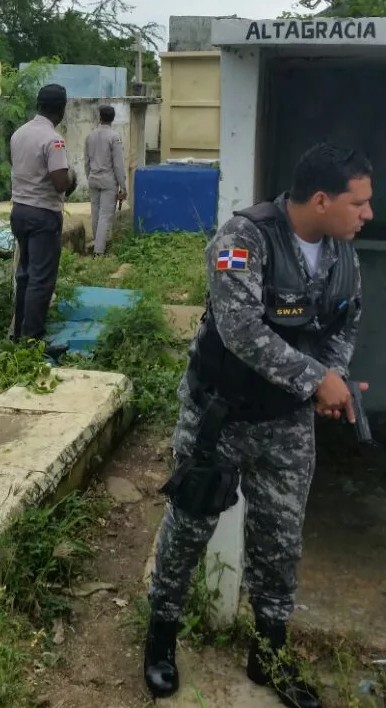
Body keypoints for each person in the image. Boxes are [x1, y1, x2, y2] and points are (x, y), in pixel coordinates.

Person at [144, 143, 372, 708]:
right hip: (219, 416)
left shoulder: (344, 253)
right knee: (190, 526)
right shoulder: (242, 240)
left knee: (280, 541)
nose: (367, 214)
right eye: (359, 203)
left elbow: (344, 323)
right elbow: (240, 329)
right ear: (321, 200)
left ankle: (268, 654)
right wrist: (316, 382)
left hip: (286, 424)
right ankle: (160, 638)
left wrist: (331, 380)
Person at [9, 84, 77, 358]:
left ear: (38, 105)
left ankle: (19, 334)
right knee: (41, 279)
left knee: (25, 275)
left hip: (20, 211)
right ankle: (33, 340)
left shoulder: (18, 134)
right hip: (43, 215)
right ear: (61, 109)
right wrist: (72, 177)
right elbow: (60, 183)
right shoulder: (53, 139)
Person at [84, 105, 127, 256]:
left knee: (95, 214)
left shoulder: (90, 136)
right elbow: (118, 164)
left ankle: (97, 245)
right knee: (105, 216)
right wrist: (123, 186)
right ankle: (99, 252)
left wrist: (89, 176)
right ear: (112, 118)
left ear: (100, 117)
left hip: (93, 178)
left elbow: (86, 162)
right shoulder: (114, 137)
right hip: (108, 181)